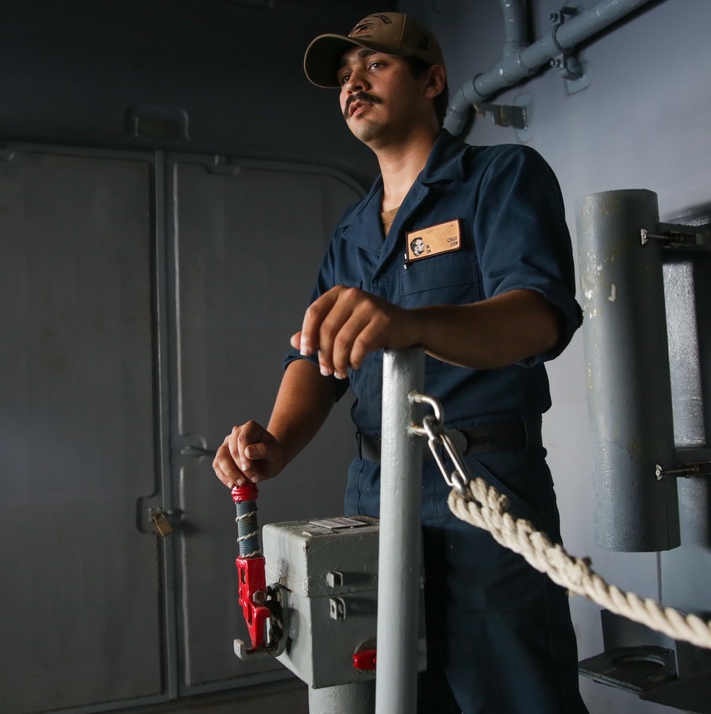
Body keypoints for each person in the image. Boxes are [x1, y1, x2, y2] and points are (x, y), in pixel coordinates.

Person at [213, 11, 588, 713]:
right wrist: (275, 441)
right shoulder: (352, 231)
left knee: (509, 694)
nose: (352, 81)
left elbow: (538, 317)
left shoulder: (500, 177)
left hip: (482, 491)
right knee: (384, 696)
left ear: (433, 80)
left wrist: (411, 325)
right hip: (374, 495)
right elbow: (315, 360)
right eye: (344, 76)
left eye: (374, 65)